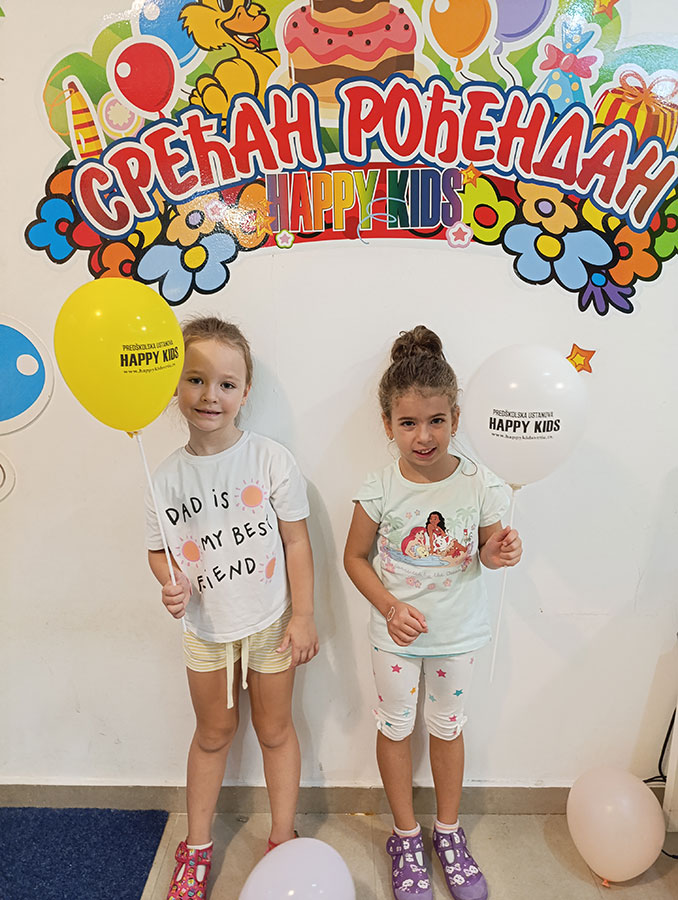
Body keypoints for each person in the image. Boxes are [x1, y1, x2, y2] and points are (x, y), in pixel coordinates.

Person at [344, 326, 522, 900]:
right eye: (408, 423)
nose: (423, 436)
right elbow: (354, 558)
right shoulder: (379, 486)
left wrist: (499, 553)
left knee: (447, 728)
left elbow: (487, 552)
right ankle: (404, 836)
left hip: (457, 636)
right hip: (394, 639)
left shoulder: (480, 484)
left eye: (437, 421)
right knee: (395, 727)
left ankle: (448, 831)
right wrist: (389, 606)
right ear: (387, 424)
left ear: (455, 417)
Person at [146, 316, 318, 900]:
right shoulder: (164, 479)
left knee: (275, 730)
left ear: (246, 392)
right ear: (176, 385)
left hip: (271, 624)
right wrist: (170, 582)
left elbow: (297, 541)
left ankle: (282, 838)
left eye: (226, 383)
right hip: (207, 630)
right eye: (195, 379)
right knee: (213, 733)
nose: (209, 395)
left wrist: (303, 615)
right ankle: (196, 846)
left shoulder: (270, 460)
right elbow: (159, 552)